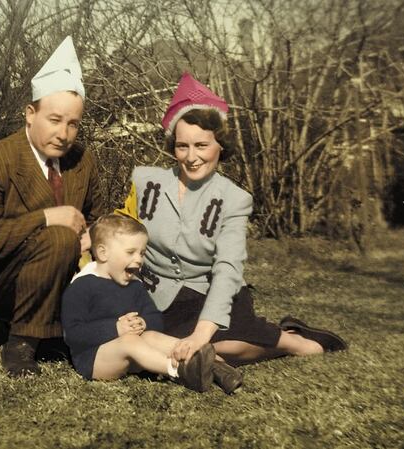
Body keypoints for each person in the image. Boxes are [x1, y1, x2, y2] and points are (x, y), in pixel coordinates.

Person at [117, 73, 347, 370]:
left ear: (220, 146)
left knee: (224, 345)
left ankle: (294, 340)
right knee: (165, 348)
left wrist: (202, 333)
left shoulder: (235, 199)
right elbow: (119, 230)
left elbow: (227, 268)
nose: (191, 157)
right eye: (182, 146)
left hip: (209, 292)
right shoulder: (145, 181)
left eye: (202, 145)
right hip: (155, 296)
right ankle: (232, 348)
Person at [0, 36, 104, 377]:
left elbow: (93, 215)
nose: (64, 133)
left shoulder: (82, 160)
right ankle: (21, 344)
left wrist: (94, 236)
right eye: (54, 119)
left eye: (73, 124)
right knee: (59, 236)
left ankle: (60, 328)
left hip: (59, 271)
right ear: (30, 114)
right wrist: (48, 217)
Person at [61, 214, 241, 393]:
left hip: (134, 355)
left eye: (142, 253)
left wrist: (144, 322)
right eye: (130, 252)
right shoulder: (82, 286)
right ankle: (180, 370)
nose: (139, 259)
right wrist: (115, 328)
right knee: (129, 341)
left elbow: (156, 319)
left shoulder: (135, 286)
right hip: (95, 359)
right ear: (103, 253)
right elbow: (73, 334)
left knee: (151, 336)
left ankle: (218, 367)